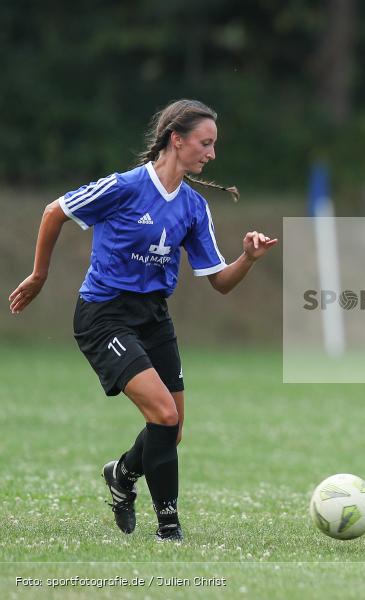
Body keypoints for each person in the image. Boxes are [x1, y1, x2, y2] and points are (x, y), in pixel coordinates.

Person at [8, 99, 278, 542]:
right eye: (204, 143)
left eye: (213, 145)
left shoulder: (193, 206)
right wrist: (40, 274)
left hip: (153, 316)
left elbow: (220, 283)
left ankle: (121, 473)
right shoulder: (124, 187)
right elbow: (54, 211)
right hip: (104, 314)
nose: (211, 154)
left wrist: (248, 258)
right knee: (164, 414)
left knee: (172, 429)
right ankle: (168, 527)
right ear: (177, 139)